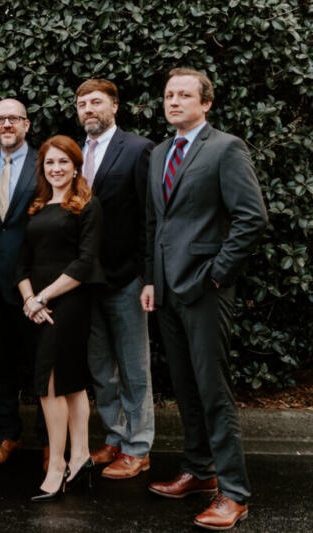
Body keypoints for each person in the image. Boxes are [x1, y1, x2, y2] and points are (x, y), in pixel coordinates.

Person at [141, 68, 267, 530]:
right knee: (185, 387)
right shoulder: (159, 153)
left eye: (184, 95)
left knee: (213, 391)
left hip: (206, 289)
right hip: (167, 290)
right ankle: (199, 471)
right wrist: (150, 280)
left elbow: (252, 218)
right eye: (168, 95)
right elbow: (155, 224)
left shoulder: (225, 148)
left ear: (206, 103)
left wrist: (217, 274)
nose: (173, 101)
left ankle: (234, 493)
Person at [16, 135, 104, 502]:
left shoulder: (87, 205)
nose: (56, 168)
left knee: (54, 382)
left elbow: (85, 262)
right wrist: (29, 300)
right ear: (43, 168)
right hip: (36, 306)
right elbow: (21, 263)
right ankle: (81, 457)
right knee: (67, 382)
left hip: (68, 303)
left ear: (75, 166)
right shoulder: (36, 207)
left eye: (63, 162)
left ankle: (57, 465)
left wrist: (43, 297)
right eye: (50, 162)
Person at [75, 79, 156, 479]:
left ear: (114, 106)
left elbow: (150, 215)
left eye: (96, 102)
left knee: (134, 367)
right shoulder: (73, 155)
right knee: (101, 367)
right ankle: (115, 436)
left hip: (126, 277)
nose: (88, 109)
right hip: (86, 280)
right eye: (82, 104)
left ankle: (138, 448)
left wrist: (146, 274)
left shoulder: (139, 149)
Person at [0, 98, 47, 469]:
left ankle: (50, 441)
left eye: (14, 118)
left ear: (26, 124)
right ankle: (8, 434)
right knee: (1, 366)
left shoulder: (46, 165)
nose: (6, 125)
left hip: (37, 286)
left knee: (43, 365)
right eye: (0, 119)